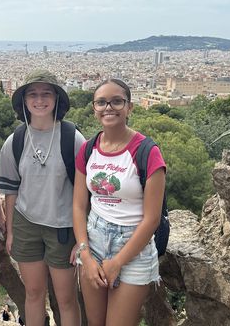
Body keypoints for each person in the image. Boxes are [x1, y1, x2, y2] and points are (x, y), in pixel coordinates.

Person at [73, 78, 166, 326]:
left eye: (117, 101)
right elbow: (79, 205)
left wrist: (118, 262)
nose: (108, 108)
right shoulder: (88, 149)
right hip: (94, 240)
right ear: (94, 108)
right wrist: (85, 254)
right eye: (101, 102)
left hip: (133, 246)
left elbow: (152, 218)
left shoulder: (147, 151)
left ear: (129, 107)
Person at [0, 69, 85, 326]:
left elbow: (83, 192)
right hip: (27, 223)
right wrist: (11, 231)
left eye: (46, 93)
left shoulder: (73, 139)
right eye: (32, 94)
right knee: (33, 293)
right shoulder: (16, 140)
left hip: (63, 225)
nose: (39, 99)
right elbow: (11, 191)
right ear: (24, 101)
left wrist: (82, 239)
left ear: (57, 99)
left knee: (66, 298)